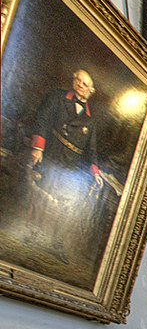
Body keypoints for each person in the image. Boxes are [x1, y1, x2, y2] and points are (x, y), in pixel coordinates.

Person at [25, 69, 104, 261]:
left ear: (91, 91)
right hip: (52, 155)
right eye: (78, 80)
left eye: (85, 84)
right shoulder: (57, 97)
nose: (80, 85)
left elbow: (91, 150)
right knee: (42, 196)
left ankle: (57, 244)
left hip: (71, 166)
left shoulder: (91, 120)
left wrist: (95, 172)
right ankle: (33, 234)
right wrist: (38, 148)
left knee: (67, 205)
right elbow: (42, 120)